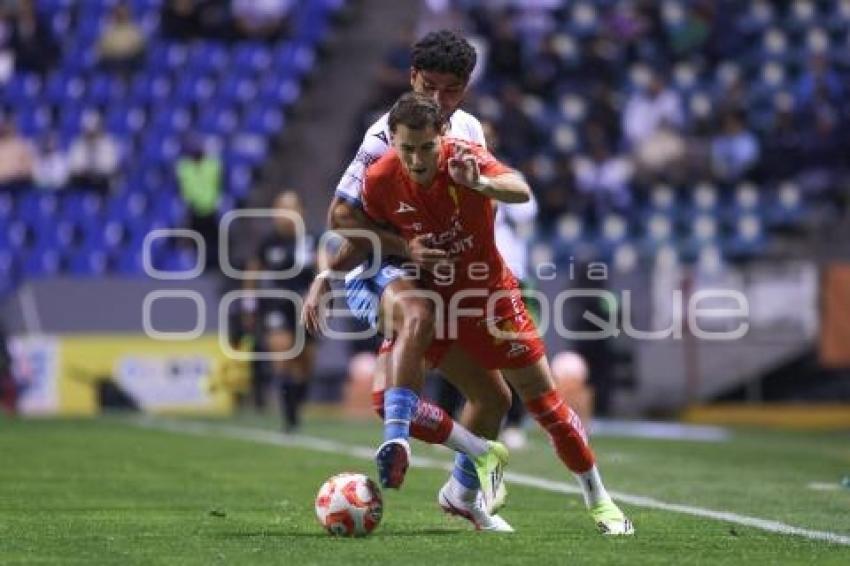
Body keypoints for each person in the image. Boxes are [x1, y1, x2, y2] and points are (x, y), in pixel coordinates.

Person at [356, 93, 633, 535]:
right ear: (394, 141)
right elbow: (364, 231)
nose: (417, 158)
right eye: (407, 149)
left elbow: (520, 190)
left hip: (490, 297)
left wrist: (481, 184)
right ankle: (470, 479)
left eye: (426, 148)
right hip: (431, 303)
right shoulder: (379, 178)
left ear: (442, 138)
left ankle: (599, 499)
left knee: (546, 405)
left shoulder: (464, 157)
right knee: (384, 399)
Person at [303, 30, 516, 531]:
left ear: (466, 89)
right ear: (412, 77)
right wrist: (335, 270)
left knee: (495, 399)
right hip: (381, 269)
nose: (439, 102)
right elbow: (340, 218)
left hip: (438, 280)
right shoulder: (384, 137)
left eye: (452, 91)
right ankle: (396, 438)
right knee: (415, 318)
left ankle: (464, 493)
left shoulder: (469, 130)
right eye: (430, 87)